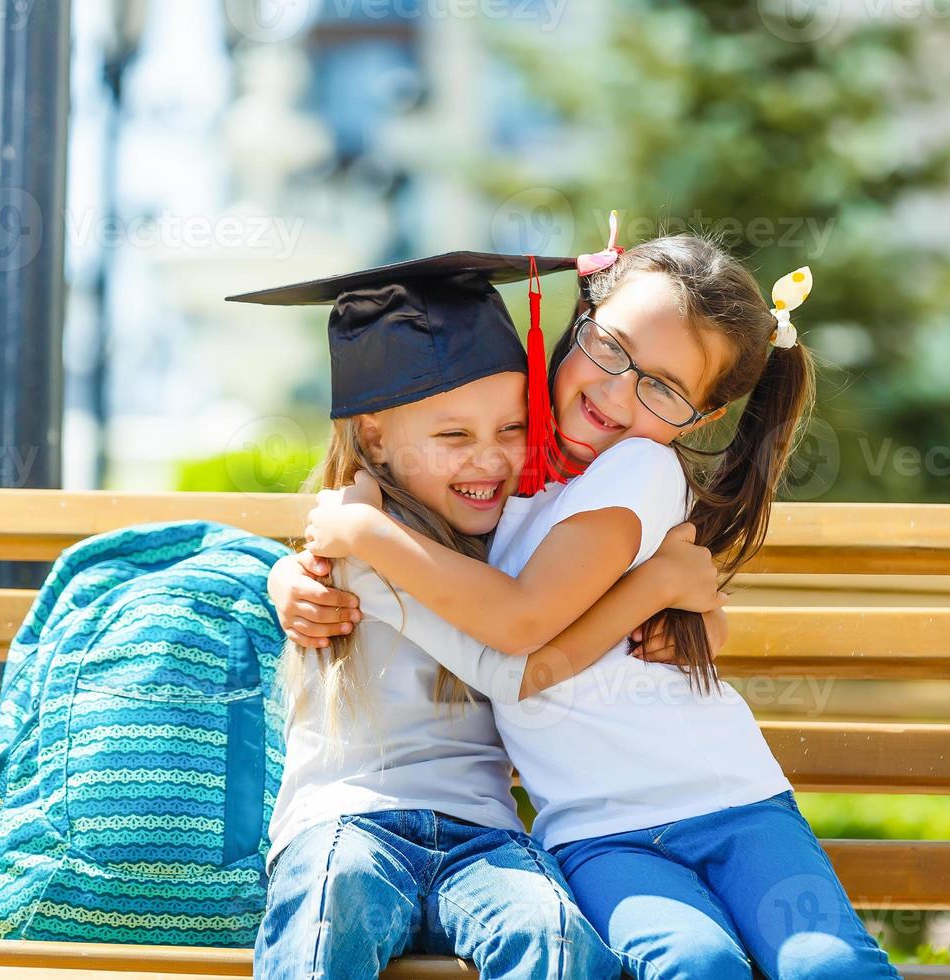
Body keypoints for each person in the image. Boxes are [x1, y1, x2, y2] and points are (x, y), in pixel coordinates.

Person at [292, 231, 901, 979]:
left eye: (664, 386)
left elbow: (519, 626)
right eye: (610, 348)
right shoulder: (497, 485)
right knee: (695, 964)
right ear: (581, 319)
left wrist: (361, 533)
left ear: (701, 419)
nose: (616, 392)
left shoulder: (639, 469)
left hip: (734, 801)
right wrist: (296, 581)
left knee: (826, 966)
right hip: (597, 835)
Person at [235, 252, 725, 980]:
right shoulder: (363, 537)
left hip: (485, 836)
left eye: (510, 428)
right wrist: (286, 579)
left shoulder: (521, 544)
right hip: (351, 821)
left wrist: (698, 610)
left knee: (556, 941)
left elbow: (666, 630)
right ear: (374, 439)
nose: (490, 461)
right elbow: (513, 668)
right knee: (331, 904)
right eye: (454, 437)